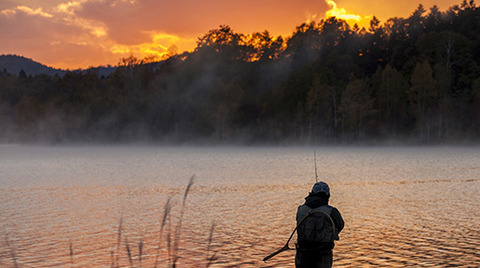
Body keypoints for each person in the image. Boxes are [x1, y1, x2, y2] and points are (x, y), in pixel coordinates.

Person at [295, 181, 344, 268]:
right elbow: (340, 225)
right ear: (328, 195)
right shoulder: (332, 211)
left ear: (312, 193)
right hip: (323, 256)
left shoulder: (300, 209)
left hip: (302, 255)